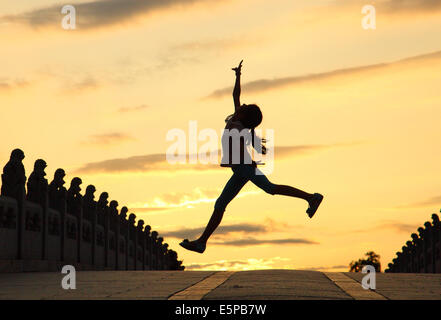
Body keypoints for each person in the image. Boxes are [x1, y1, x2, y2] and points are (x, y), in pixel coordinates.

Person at [180, 60, 323, 254]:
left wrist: (243, 158)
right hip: (241, 169)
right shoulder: (235, 119)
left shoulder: (239, 127)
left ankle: (311, 197)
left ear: (243, 114)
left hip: (244, 167)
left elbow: (239, 144)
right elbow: (235, 94)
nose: (242, 103)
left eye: (245, 106)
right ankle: (202, 242)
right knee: (224, 203)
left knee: (268, 189)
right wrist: (238, 76)